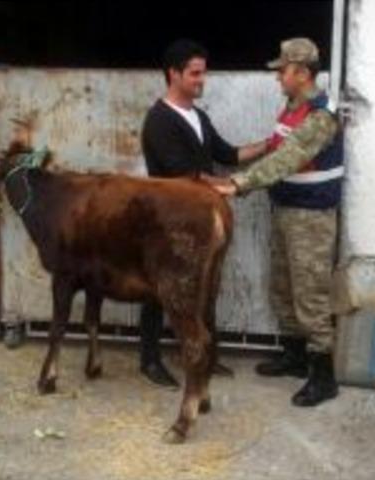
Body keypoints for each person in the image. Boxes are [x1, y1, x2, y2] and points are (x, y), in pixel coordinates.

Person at [207, 37, 343, 407]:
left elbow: (288, 159)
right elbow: (274, 147)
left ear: (301, 72)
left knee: (310, 294)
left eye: (282, 70)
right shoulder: (293, 105)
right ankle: (295, 356)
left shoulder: (321, 115)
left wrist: (240, 183)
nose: (277, 77)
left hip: (311, 218)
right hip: (287, 209)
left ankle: (323, 376)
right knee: (283, 287)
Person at [139, 39, 268, 387]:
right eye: (195, 73)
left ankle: (206, 357)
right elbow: (184, 174)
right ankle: (149, 359)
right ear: (174, 74)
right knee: (158, 289)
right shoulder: (159, 120)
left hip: (197, 220)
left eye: (203, 73)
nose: (201, 80)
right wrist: (235, 185)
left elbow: (226, 153)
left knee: (203, 286)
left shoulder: (198, 116)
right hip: (167, 217)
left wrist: (271, 145)